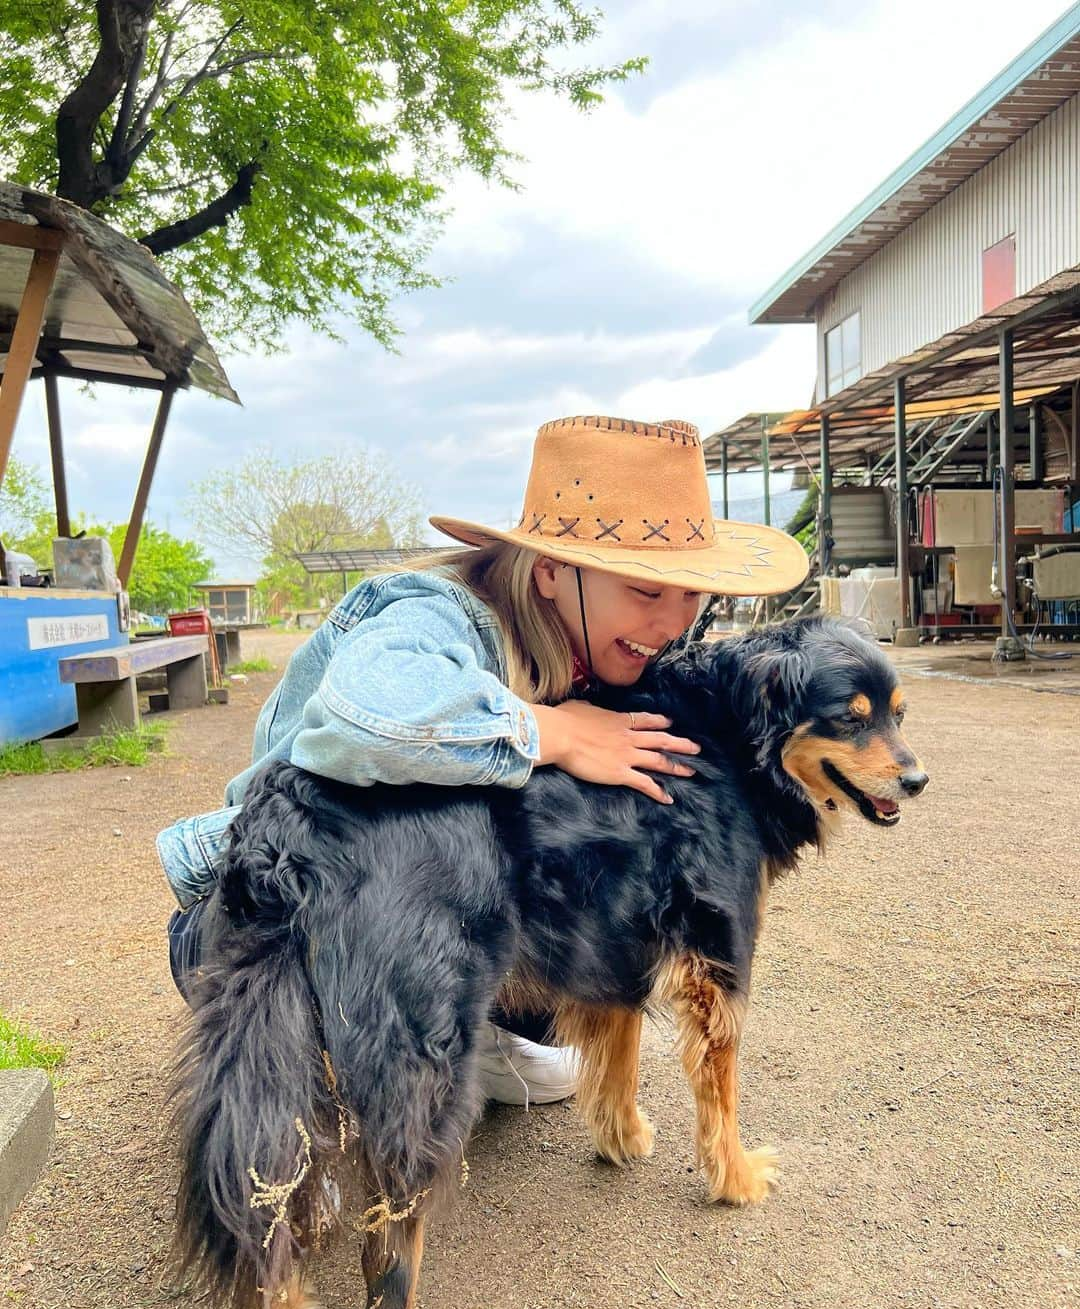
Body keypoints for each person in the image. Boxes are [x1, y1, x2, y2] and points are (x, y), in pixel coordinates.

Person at [157, 414, 808, 1104]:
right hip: (273, 922)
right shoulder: (433, 613)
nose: (672, 625)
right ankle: (330, 1048)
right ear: (553, 572)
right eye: (647, 591)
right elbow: (361, 719)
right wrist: (552, 732)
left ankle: (460, 1025)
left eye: (692, 596)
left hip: (426, 916)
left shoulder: (607, 657)